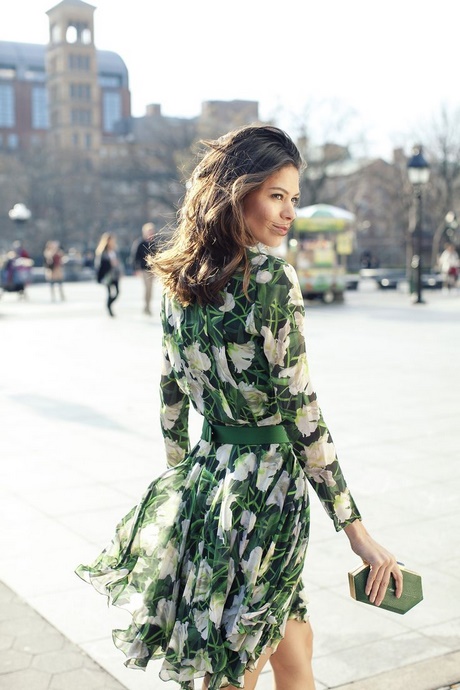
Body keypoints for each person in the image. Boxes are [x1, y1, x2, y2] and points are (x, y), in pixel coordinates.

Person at [76, 125, 403, 690]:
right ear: (237, 192)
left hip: (210, 484)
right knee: (235, 668)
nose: (288, 213)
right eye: (276, 195)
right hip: (269, 495)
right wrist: (356, 532)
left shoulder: (181, 279)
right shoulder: (273, 278)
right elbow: (302, 414)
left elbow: (171, 401)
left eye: (294, 199)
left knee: (292, 641)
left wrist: (185, 482)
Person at [130, 221, 159, 315]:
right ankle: (146, 307)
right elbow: (135, 257)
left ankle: (148, 306)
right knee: (147, 288)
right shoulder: (140, 243)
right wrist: (136, 269)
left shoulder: (154, 243)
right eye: (149, 231)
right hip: (143, 269)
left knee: (150, 289)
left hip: (152, 270)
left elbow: (158, 256)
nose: (150, 233)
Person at [95, 232, 121, 317]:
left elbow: (119, 262)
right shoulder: (103, 252)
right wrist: (110, 263)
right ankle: (109, 308)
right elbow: (100, 264)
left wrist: (120, 271)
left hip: (115, 274)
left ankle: (109, 304)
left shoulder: (115, 251)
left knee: (117, 292)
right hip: (107, 275)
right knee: (109, 292)